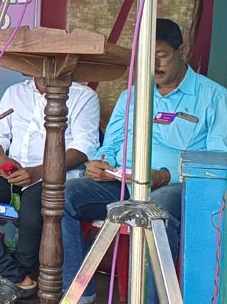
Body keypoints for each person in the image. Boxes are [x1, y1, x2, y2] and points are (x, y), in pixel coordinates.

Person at [62, 18, 227, 304]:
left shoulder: (213, 97)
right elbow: (111, 144)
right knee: (64, 196)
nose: (153, 66)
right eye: (146, 58)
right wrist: (100, 163)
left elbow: (214, 161)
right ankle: (79, 294)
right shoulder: (132, 95)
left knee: (154, 208)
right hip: (122, 181)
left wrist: (166, 175)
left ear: (182, 51)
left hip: (175, 186)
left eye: (160, 56)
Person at [0, 77, 99, 304]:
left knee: (33, 214)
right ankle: (16, 275)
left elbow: (84, 147)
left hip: (53, 176)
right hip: (11, 172)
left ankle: (17, 277)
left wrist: (39, 171)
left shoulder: (83, 95)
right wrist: (1, 158)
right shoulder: (15, 91)